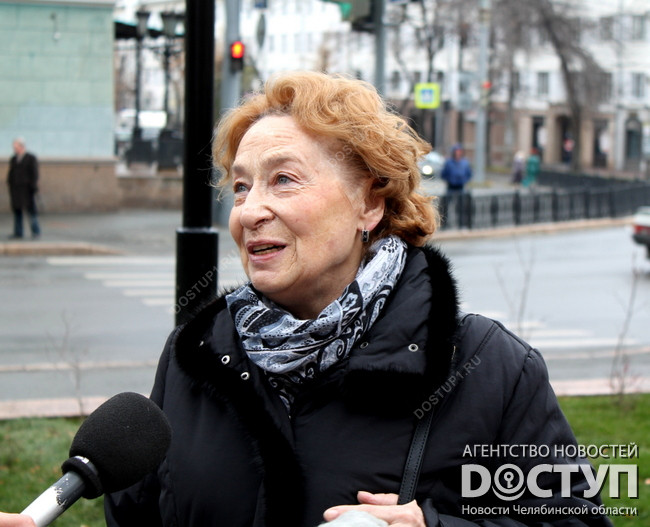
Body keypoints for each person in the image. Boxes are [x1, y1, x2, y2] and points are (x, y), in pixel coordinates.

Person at [2, 73, 611, 527]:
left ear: (369, 202)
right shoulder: (195, 355)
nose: (250, 211)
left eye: (283, 179)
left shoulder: (488, 369)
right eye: (242, 186)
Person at [6, 138, 40, 239]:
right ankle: (18, 232)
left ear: (22, 147)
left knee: (31, 212)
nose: (15, 149)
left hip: (27, 190)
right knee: (17, 212)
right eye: (14, 147)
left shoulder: (30, 158)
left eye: (16, 147)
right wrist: (10, 183)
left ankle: (36, 231)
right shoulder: (14, 159)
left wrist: (33, 187)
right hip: (16, 190)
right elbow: (11, 173)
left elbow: (34, 173)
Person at [440, 143, 472, 228]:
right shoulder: (449, 162)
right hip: (451, 186)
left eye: (459, 151)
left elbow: (469, 174)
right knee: (446, 206)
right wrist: (450, 179)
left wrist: (463, 179)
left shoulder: (464, 163)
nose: (458, 153)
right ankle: (445, 224)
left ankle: (461, 223)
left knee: (461, 206)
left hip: (460, 187)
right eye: (456, 151)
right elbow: (443, 174)